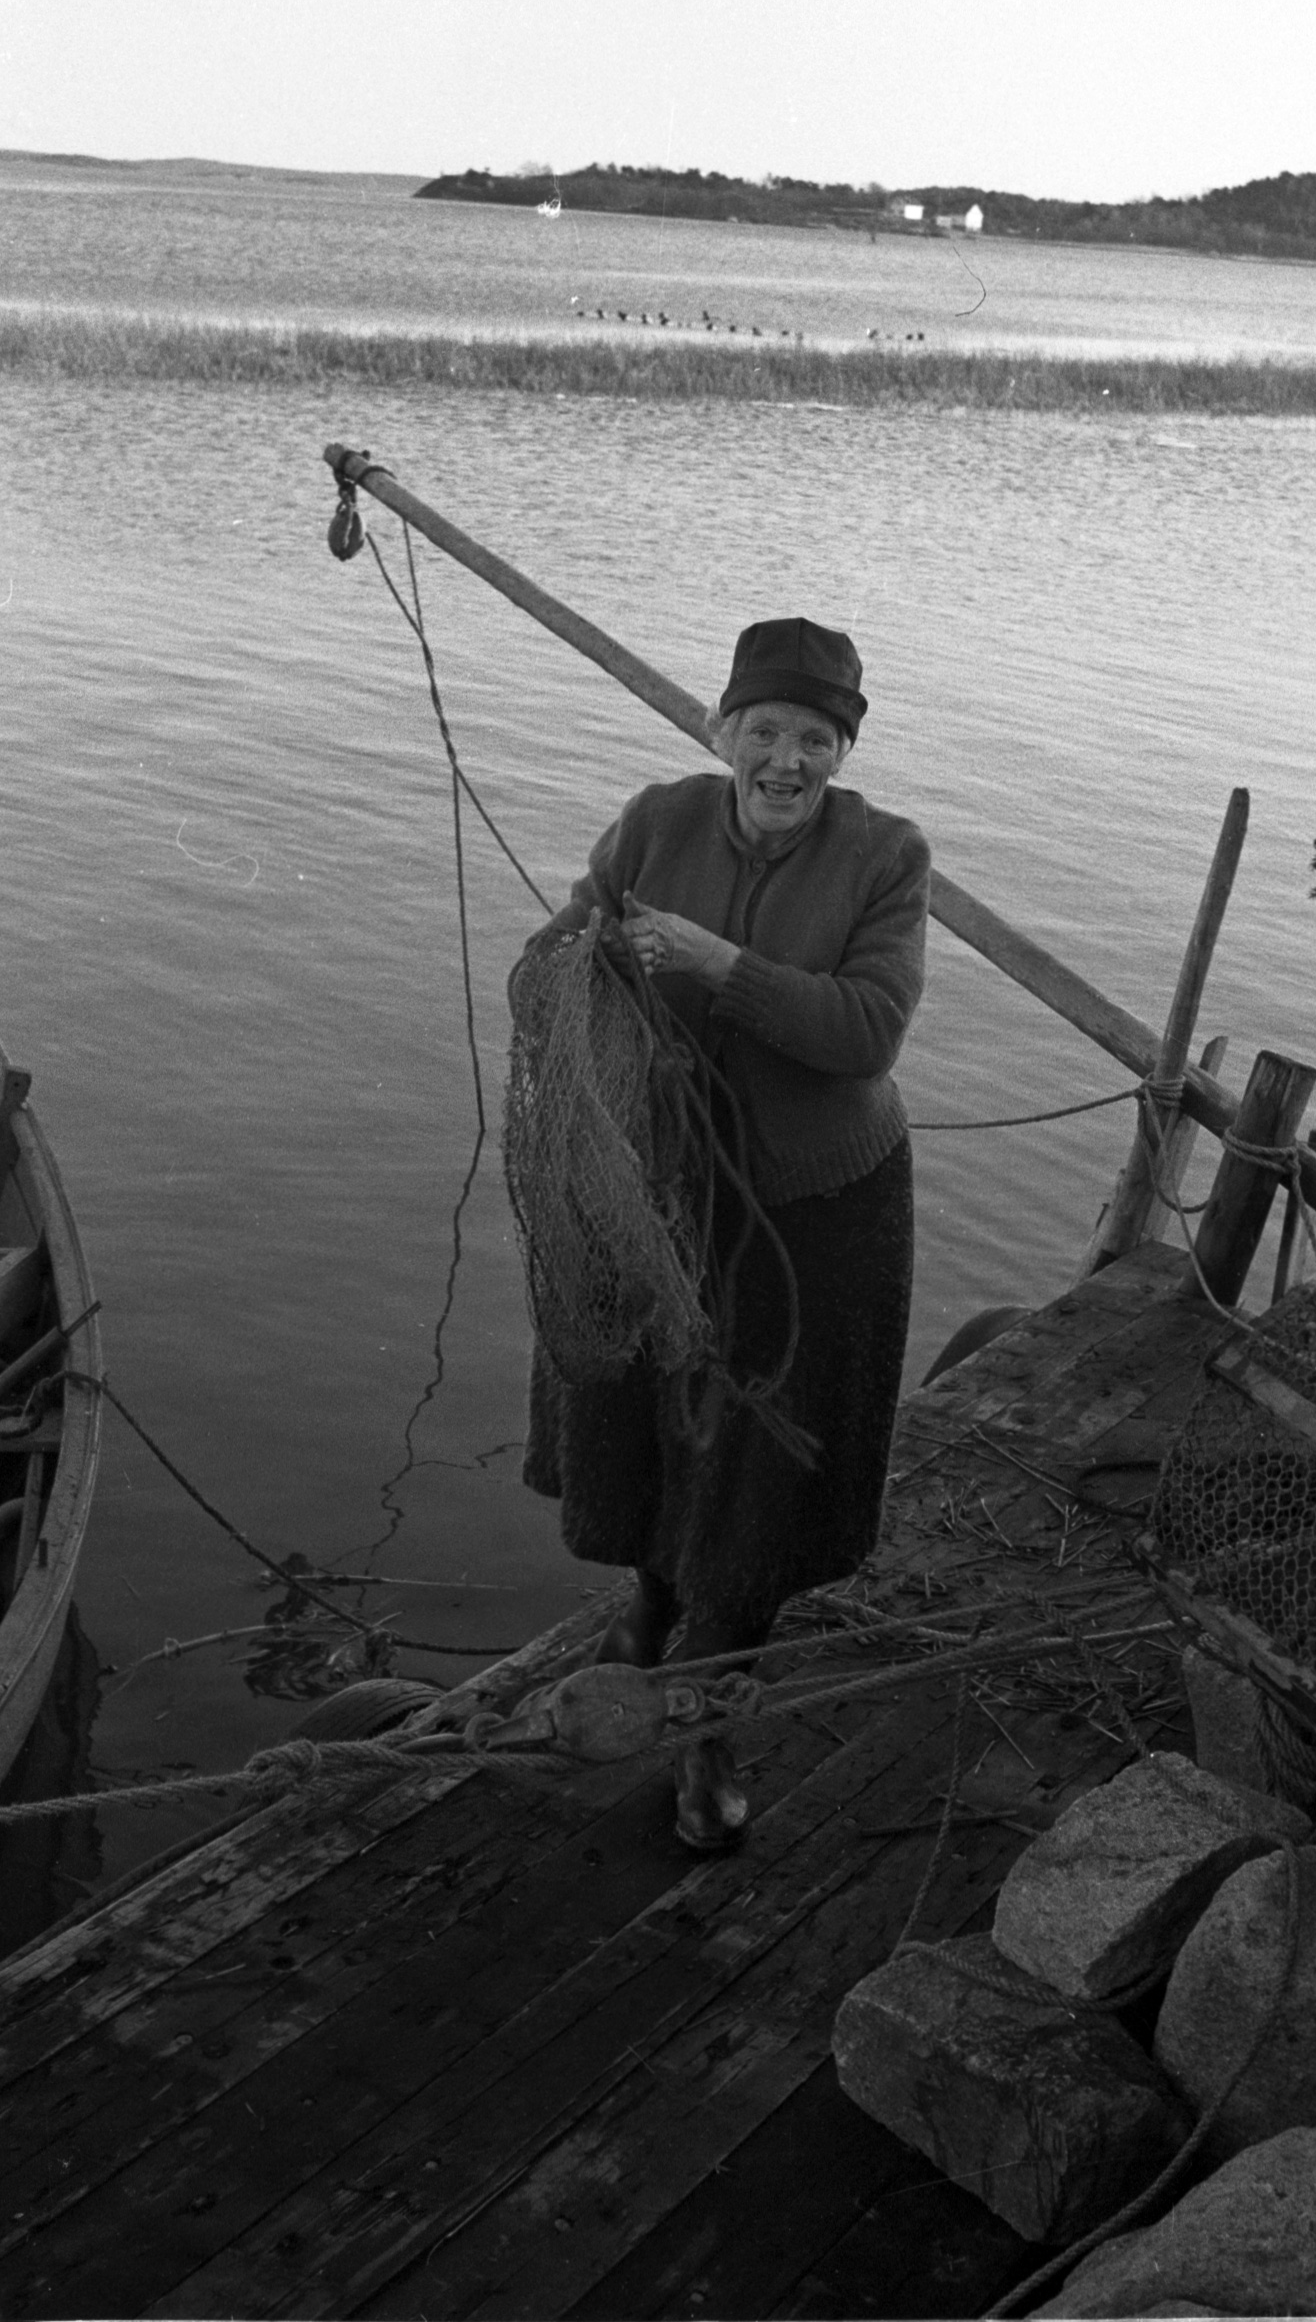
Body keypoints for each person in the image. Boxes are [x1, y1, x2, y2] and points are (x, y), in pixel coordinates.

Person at [511, 616, 929, 1848]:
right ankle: (644, 1614)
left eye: (814, 737)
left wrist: (716, 963)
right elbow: (557, 945)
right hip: (663, 1197)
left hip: (820, 1211)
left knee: (758, 1479)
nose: (786, 760)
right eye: (764, 731)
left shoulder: (887, 857)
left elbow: (867, 1032)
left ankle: (703, 1729)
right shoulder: (655, 820)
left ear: (841, 750)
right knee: (653, 1425)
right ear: (721, 732)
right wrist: (579, 954)